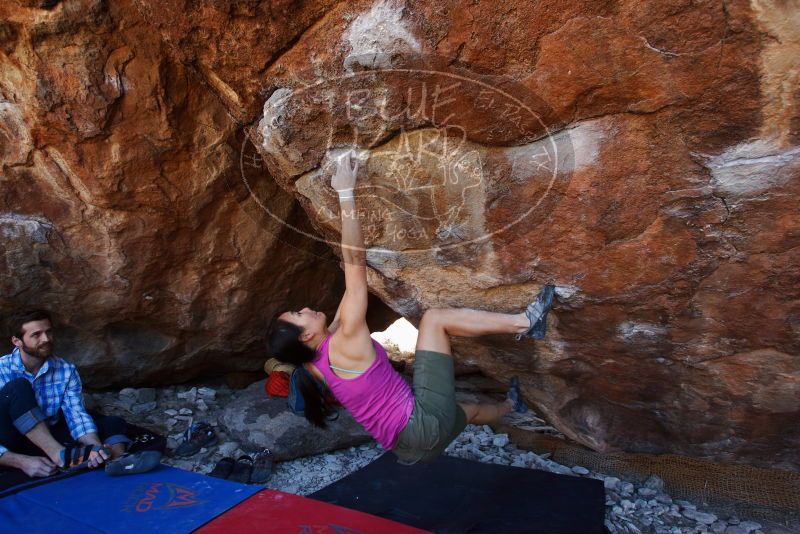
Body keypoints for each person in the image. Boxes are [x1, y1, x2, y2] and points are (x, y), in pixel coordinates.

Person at [267, 151, 555, 465]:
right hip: (419, 428)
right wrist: (345, 193)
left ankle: (510, 408)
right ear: (306, 335)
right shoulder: (344, 338)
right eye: (299, 314)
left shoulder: (315, 363)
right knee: (434, 320)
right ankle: (525, 323)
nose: (306, 308)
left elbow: (348, 289)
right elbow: (355, 264)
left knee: (465, 412)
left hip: (407, 451)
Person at [0, 309, 130, 477]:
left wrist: (93, 446)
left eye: (48, 332)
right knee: (17, 388)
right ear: (17, 341)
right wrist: (21, 461)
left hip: (45, 437)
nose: (46, 339)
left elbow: (76, 416)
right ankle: (59, 455)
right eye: (36, 335)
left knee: (111, 423)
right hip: (9, 441)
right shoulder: (2, 369)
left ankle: (115, 462)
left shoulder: (65, 370)